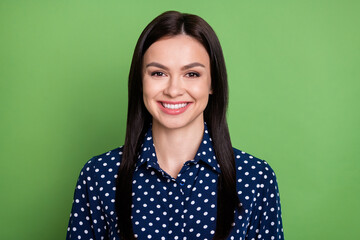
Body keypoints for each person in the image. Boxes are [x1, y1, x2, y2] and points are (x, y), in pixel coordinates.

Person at [66, 11, 284, 240]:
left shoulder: (256, 178)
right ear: (140, 81)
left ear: (213, 83)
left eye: (191, 74)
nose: (173, 90)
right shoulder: (99, 175)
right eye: (158, 73)